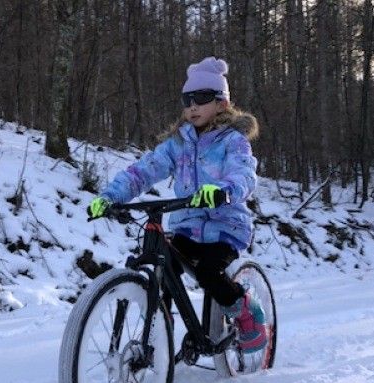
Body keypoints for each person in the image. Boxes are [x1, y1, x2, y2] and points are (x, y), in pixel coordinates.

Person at [87, 56, 266, 353]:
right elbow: (143, 171)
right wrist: (111, 197)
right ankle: (159, 325)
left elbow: (243, 173)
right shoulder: (177, 144)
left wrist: (223, 190)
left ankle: (246, 312)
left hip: (225, 228)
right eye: (187, 100)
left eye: (202, 98)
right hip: (187, 228)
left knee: (210, 273)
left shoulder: (233, 141)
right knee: (162, 264)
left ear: (222, 103)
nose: (192, 106)